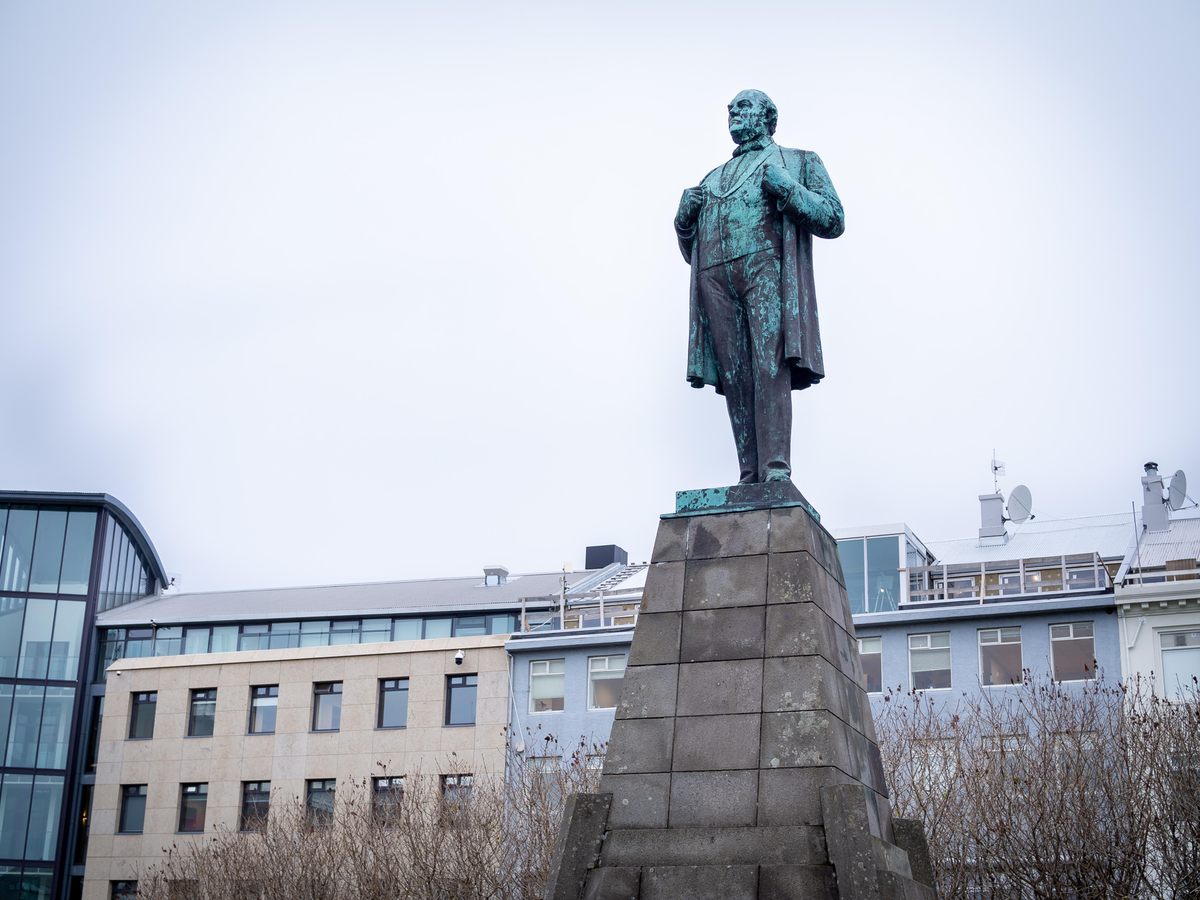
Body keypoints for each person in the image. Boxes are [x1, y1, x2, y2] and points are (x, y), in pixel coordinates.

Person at [674, 89, 844, 484]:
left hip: (765, 268)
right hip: (714, 277)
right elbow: (691, 250)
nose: (733, 111)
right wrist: (683, 222)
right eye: (730, 108)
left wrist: (786, 188)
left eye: (744, 106)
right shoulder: (711, 178)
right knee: (736, 376)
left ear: (769, 117)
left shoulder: (798, 161)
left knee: (769, 368)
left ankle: (775, 469)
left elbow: (832, 219)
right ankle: (748, 473)